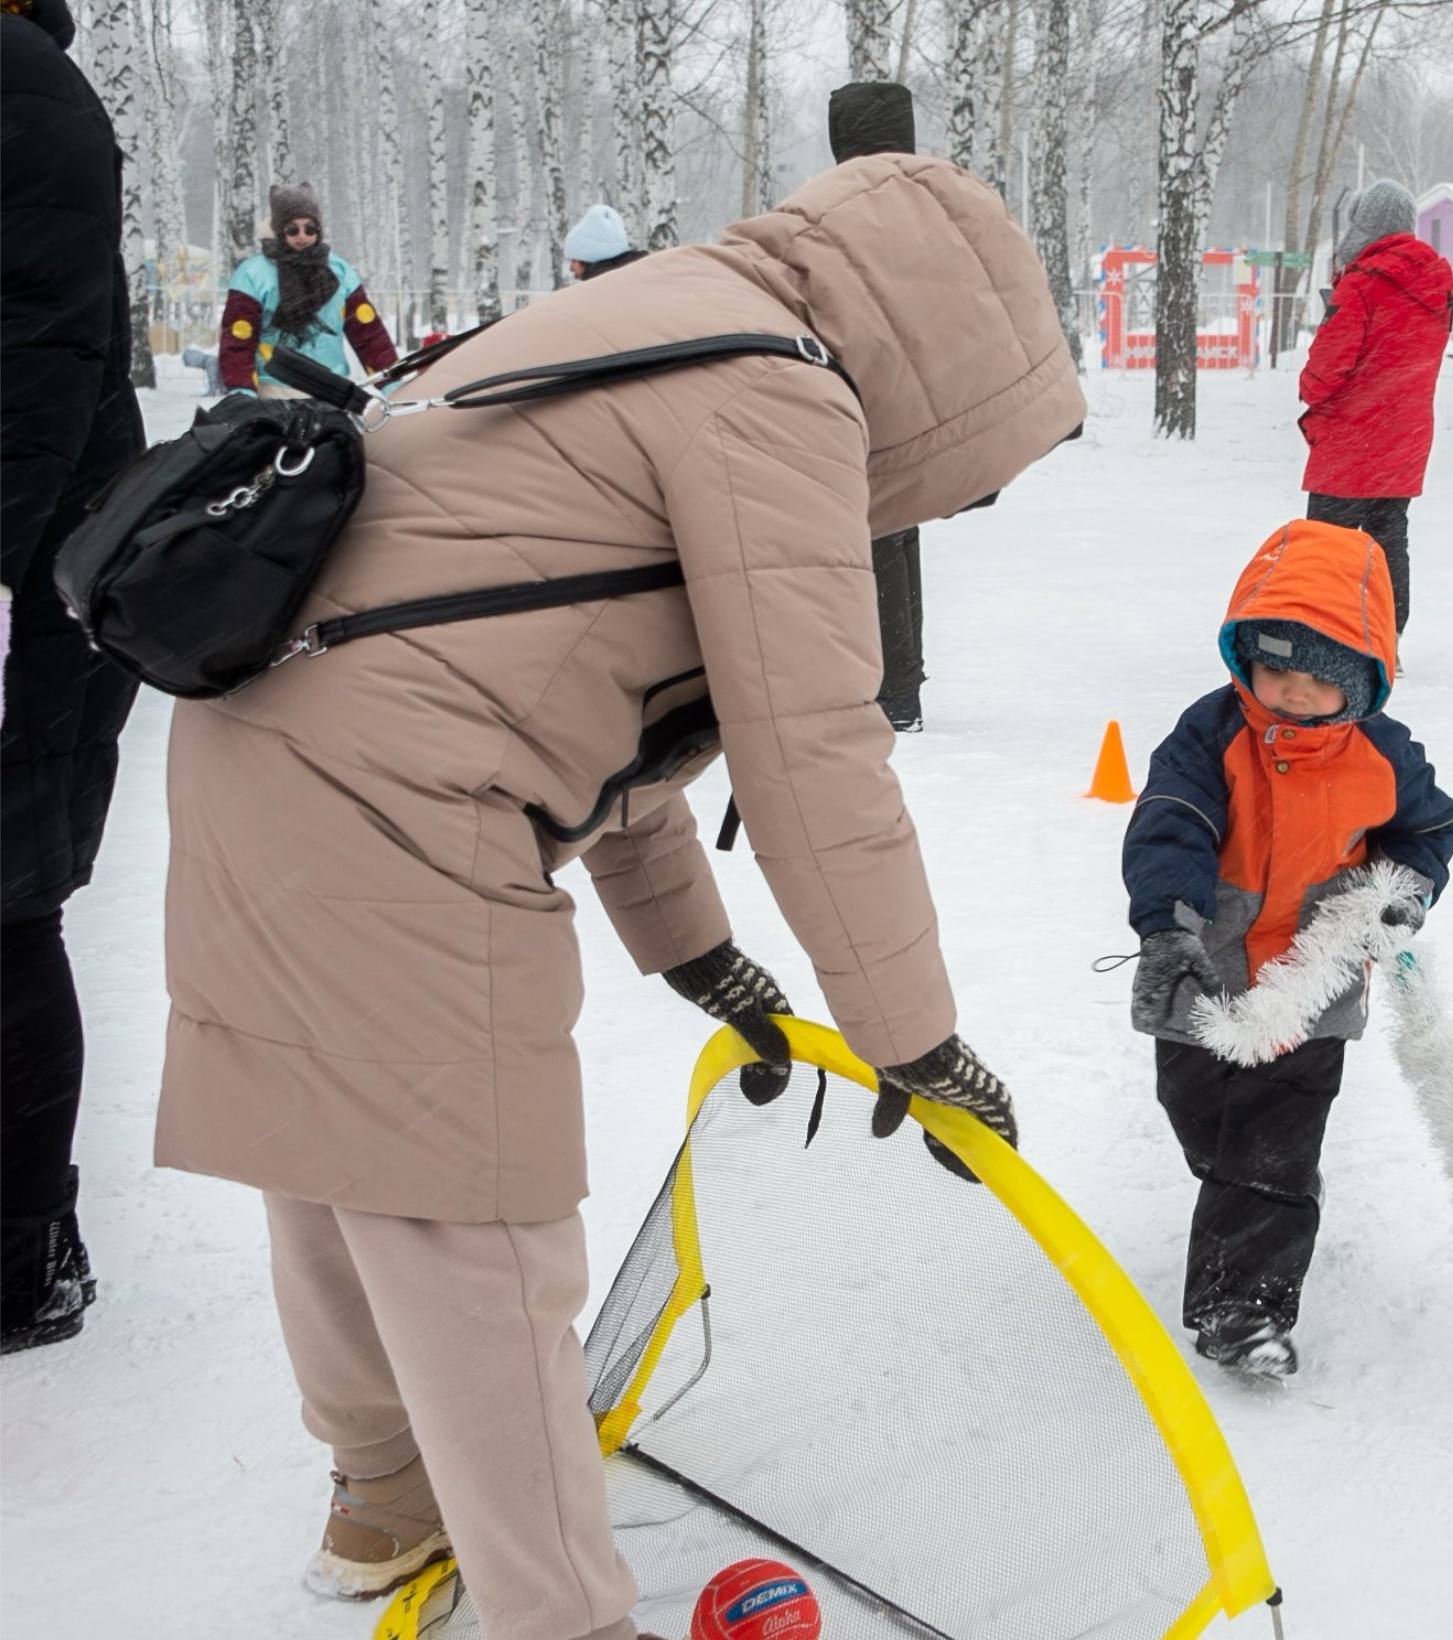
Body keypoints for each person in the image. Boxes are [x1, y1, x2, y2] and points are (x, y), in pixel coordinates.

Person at [154, 154, 1084, 1639]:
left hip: (254, 741)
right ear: (952, 365)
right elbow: (811, 749)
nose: (958, 499)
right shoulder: (777, 387)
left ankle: (385, 1495)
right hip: (401, 803)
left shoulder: (648, 318)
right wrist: (915, 1037)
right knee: (477, 1230)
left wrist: (697, 955)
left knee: (329, 1161)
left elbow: (587, 685)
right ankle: (564, 1617)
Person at [1122, 519, 1453, 1380]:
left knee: (1273, 1145)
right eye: (1275, 667)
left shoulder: (1385, 754)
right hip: (1208, 969)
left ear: (1362, 680)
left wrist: (1401, 897)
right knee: (1203, 1124)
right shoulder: (1210, 734)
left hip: (1317, 984)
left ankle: (1244, 1306)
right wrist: (1166, 926)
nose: (1293, 692)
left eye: (1319, 678)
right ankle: (1248, 1187)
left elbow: (1428, 831)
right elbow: (1171, 826)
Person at [1, 0, 148, 1355]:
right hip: (31, 586)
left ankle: (25, 1249)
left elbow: (37, 356)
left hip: (25, 602)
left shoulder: (26, 94)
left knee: (5, 915)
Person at [1297, 180, 1453, 637]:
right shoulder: (1438, 280)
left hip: (1351, 440)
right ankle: (1386, 636)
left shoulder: (1363, 283)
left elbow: (1325, 373)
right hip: (1405, 437)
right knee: (1388, 539)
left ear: (1365, 225)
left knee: (1326, 545)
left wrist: (1308, 386)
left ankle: (1321, 634)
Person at [829, 79, 929, 730]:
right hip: (911, 387)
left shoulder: (839, 209)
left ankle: (890, 692)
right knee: (897, 534)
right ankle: (901, 685)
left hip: (860, 387)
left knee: (873, 539)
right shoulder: (930, 202)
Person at [217, 183, 398, 394]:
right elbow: (239, 339)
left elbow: (369, 334)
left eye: (310, 229)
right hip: (273, 389)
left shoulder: (340, 272)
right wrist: (241, 389)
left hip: (330, 389)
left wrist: (391, 380)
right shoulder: (252, 274)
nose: (302, 236)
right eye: (292, 229)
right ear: (278, 230)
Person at [564, 203, 646, 283]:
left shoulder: (599, 290)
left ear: (593, 256)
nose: (571, 268)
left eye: (575, 260)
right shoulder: (645, 275)